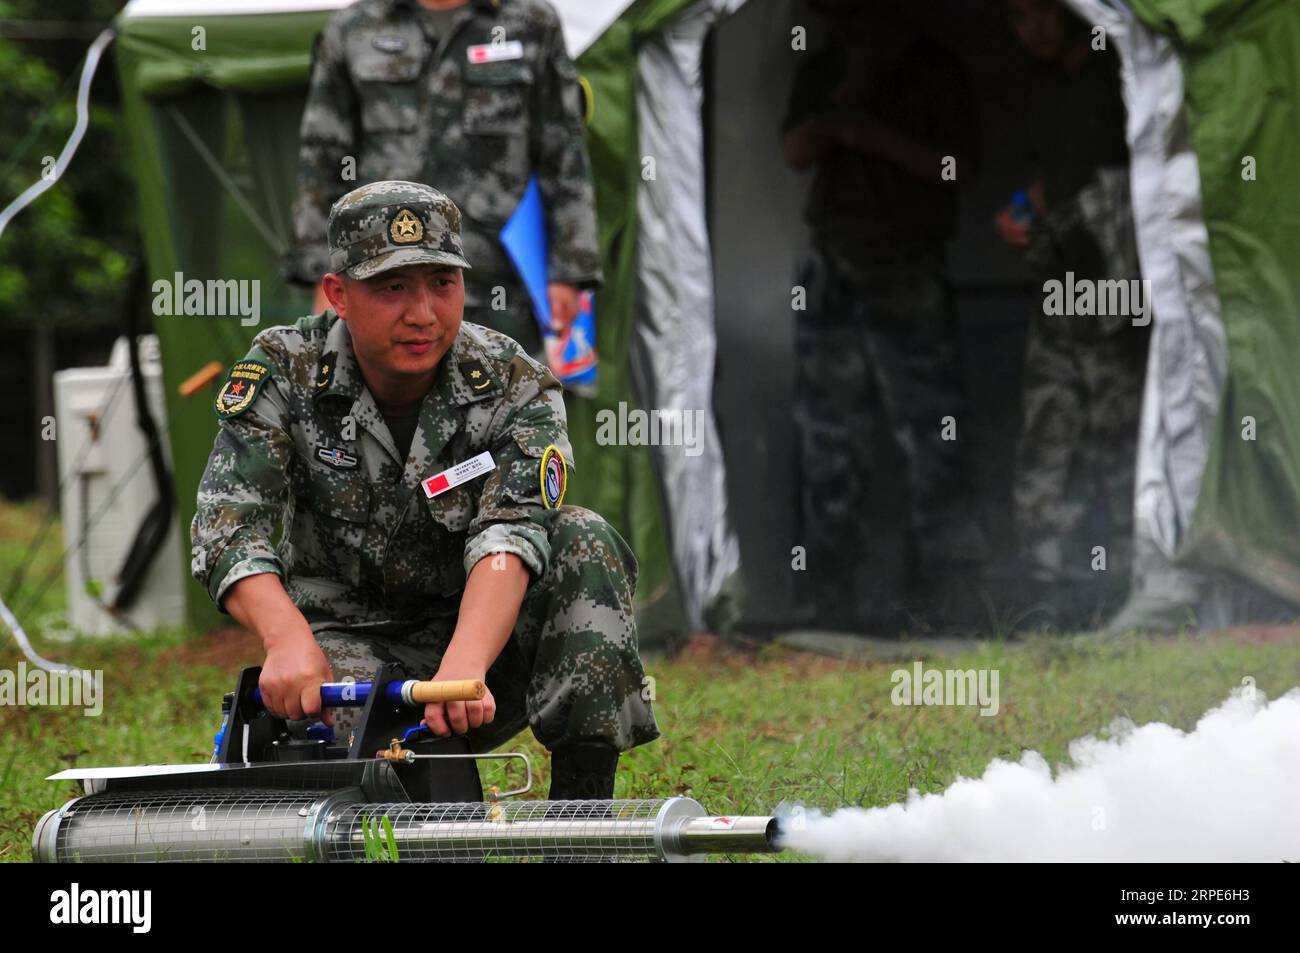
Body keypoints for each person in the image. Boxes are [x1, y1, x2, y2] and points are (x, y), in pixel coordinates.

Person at [192, 181, 658, 799]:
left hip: (482, 650)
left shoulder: (511, 381)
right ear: (339, 295)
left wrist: (463, 667)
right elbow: (227, 527)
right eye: (392, 288)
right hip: (346, 652)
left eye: (443, 283)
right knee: (379, 789)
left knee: (582, 537)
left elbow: (511, 532)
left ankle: (582, 810)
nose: (423, 314)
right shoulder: (286, 371)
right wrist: (287, 641)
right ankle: (425, 779)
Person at [781, 0, 987, 631]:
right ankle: (830, 605)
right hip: (834, 269)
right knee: (829, 445)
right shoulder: (823, 65)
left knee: (933, 440)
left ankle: (943, 607)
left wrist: (873, 136)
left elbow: (957, 169)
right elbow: (795, 151)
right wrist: (849, 90)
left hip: (908, 270)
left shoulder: (934, 71)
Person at [286, 0, 600, 358]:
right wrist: (320, 273)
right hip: (382, 279)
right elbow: (322, 155)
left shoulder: (531, 22)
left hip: (499, 284)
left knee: (505, 404)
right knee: (383, 408)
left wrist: (570, 273)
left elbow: (563, 152)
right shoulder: (355, 26)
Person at [993, 0, 1150, 627]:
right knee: (1047, 435)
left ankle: (1125, 588)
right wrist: (1016, 213)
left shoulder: (1123, 72)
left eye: (1038, 12)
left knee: (1119, 441)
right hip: (1059, 291)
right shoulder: (1041, 89)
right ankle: (1046, 593)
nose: (1029, 28)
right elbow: (1047, 178)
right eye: (1016, 18)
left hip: (1115, 293)